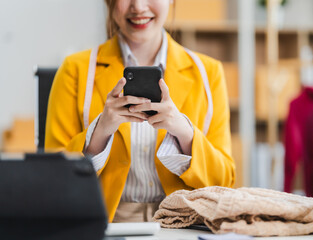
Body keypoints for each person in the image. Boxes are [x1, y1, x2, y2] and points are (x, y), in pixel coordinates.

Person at [45, 0, 235, 223]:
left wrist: (185, 134)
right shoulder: (74, 71)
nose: (139, 6)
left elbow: (225, 181)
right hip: (105, 223)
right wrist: (99, 133)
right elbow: (52, 181)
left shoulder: (208, 73)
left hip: (184, 224)